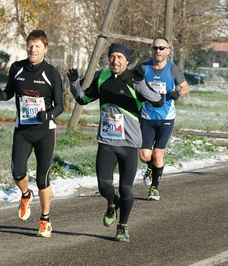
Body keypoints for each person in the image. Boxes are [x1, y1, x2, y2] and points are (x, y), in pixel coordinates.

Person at [67, 43, 163, 242]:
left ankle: (123, 226)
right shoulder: (102, 77)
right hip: (107, 141)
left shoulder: (134, 80)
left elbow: (158, 101)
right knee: (103, 185)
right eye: (112, 56)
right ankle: (112, 203)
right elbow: (83, 99)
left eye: (120, 57)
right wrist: (75, 84)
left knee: (126, 188)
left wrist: (141, 85)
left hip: (129, 143)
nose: (115, 60)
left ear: (127, 60)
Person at [0, 30, 63, 237]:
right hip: (22, 130)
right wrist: (0, 96)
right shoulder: (17, 68)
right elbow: (9, 91)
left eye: (37, 46)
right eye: (30, 45)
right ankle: (25, 194)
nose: (33, 49)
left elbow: (60, 106)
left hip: (44, 133)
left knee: (43, 179)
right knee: (17, 172)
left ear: (45, 49)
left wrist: (48, 115)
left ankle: (45, 218)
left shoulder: (51, 73)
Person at [137, 37, 190, 200]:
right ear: (151, 50)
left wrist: (179, 93)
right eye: (155, 48)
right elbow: (132, 84)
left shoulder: (173, 69)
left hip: (166, 118)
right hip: (147, 117)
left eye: (161, 48)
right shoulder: (143, 68)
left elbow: (186, 87)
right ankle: (151, 167)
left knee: (158, 154)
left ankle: (154, 188)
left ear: (168, 51)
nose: (158, 51)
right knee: (145, 155)